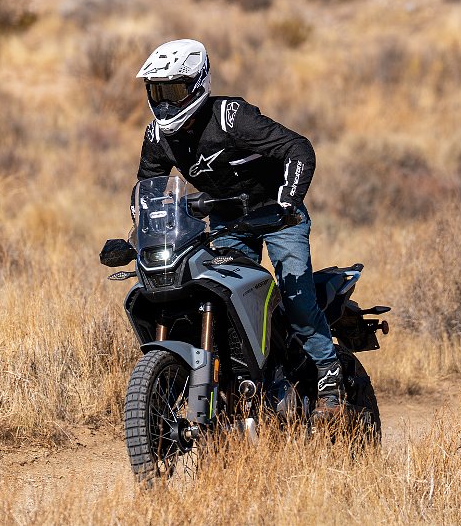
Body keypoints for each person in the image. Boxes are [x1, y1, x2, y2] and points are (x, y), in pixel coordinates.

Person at [134, 38, 342, 417]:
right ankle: (243, 385)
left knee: (295, 295)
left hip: (276, 216)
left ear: (198, 84)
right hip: (226, 222)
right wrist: (143, 231)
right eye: (156, 91)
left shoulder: (230, 117)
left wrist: (288, 203)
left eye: (174, 90)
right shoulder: (157, 137)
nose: (164, 103)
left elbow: (298, 148)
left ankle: (330, 378)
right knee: (221, 298)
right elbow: (147, 190)